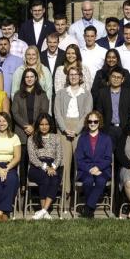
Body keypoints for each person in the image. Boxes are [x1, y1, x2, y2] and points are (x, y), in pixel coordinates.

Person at [54, 65, 92, 205]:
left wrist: (76, 130)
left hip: (79, 129)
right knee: (65, 163)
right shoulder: (61, 93)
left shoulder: (86, 94)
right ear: (68, 77)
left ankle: (77, 195)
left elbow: (87, 113)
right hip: (64, 128)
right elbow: (57, 113)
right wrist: (65, 129)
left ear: (80, 77)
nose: (73, 77)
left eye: (76, 74)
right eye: (71, 74)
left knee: (79, 162)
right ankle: (65, 194)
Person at [74, 110, 113, 218]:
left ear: (99, 122)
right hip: (86, 169)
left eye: (95, 121)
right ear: (87, 122)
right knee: (88, 181)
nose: (92, 123)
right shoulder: (82, 138)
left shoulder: (106, 138)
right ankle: (89, 209)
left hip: (102, 169)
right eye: (90, 121)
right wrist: (90, 169)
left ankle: (87, 208)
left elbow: (108, 158)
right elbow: (79, 158)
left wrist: (98, 167)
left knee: (100, 181)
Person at [27, 113, 63, 219]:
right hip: (37, 166)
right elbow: (32, 157)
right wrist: (45, 167)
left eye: (46, 124)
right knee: (45, 179)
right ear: (38, 125)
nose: (44, 127)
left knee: (55, 179)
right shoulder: (32, 138)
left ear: (50, 125)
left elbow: (59, 155)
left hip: (53, 165)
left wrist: (53, 167)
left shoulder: (56, 137)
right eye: (41, 124)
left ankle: (43, 211)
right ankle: (45, 211)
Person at [11, 68, 51, 150]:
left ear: (36, 78)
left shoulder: (42, 94)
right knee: (22, 160)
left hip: (37, 131)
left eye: (32, 77)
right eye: (27, 77)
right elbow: (15, 112)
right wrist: (26, 126)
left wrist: (33, 127)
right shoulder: (17, 95)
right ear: (24, 79)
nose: (29, 79)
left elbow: (43, 113)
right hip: (21, 131)